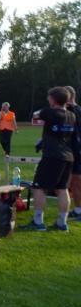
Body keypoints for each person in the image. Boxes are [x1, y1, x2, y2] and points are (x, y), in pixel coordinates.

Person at [27, 86, 76, 231]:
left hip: (52, 156)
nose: (48, 99)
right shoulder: (71, 115)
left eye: (49, 97)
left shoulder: (49, 112)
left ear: (53, 100)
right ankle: (62, 223)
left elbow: (36, 115)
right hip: (67, 156)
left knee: (39, 187)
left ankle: (38, 222)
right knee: (62, 189)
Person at [65, 86, 81, 221]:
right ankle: (77, 210)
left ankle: (79, 211)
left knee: (76, 182)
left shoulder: (74, 110)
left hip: (76, 150)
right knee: (72, 183)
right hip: (70, 150)